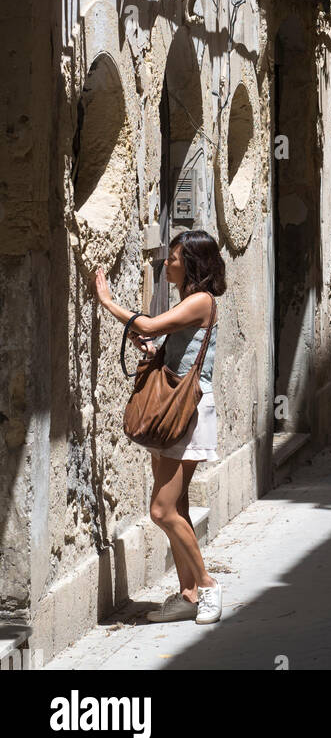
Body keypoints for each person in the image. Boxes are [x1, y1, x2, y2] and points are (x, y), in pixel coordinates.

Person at [91, 230, 224, 624]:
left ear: (192, 264)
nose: (167, 263)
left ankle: (209, 586)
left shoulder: (200, 301)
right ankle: (188, 595)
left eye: (174, 258)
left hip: (187, 411)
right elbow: (159, 340)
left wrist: (108, 303)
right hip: (177, 410)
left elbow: (149, 325)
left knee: (161, 510)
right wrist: (150, 348)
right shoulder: (190, 300)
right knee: (177, 505)